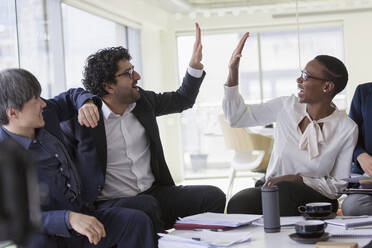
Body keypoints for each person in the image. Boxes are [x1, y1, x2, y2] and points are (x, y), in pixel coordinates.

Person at [59, 23, 226, 233]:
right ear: (108, 86)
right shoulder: (83, 121)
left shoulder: (143, 102)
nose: (137, 76)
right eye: (128, 73)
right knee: (145, 206)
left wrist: (194, 66)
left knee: (213, 196)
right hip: (111, 203)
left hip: (154, 193)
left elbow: (182, 99)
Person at [0, 68, 154, 247]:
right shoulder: (5, 157)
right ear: (12, 113)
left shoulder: (45, 116)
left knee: (136, 221)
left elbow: (72, 95)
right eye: (35, 100)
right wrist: (67, 219)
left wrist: (86, 103)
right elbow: (11, 221)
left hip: (84, 213)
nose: (42, 103)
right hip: (51, 232)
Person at [223, 33, 358, 216]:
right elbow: (236, 117)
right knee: (240, 202)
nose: (298, 80)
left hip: (316, 197)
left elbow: (338, 186)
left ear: (327, 87)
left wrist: (298, 180)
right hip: (271, 189)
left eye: (306, 76)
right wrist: (233, 71)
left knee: (285, 193)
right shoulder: (286, 106)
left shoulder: (346, 128)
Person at [341, 83, 372, 215]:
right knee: (352, 206)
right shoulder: (363, 92)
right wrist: (360, 155)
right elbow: (349, 136)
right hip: (367, 181)